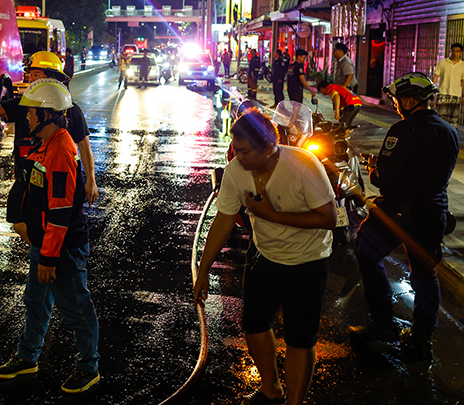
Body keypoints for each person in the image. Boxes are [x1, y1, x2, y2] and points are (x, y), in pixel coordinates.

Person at [193, 110, 337, 405]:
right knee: (255, 325)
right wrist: (203, 269)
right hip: (265, 255)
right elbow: (223, 220)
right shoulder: (235, 171)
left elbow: (328, 218)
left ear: (269, 147)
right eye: (236, 149)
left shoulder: (303, 164)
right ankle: (271, 389)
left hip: (308, 260)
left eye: (245, 151)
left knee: (300, 339)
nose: (238, 157)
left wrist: (272, 215)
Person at [0, 79, 100, 394]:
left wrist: (49, 257)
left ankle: (89, 368)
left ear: (47, 115)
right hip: (45, 245)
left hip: (61, 249)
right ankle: (27, 357)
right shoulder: (46, 144)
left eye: (31, 112)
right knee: (36, 302)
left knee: (76, 307)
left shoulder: (61, 150)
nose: (26, 117)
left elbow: (61, 211)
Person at [348, 73, 458, 360]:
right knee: (425, 273)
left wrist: (375, 170)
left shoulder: (401, 130)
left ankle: (384, 322)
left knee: (366, 250)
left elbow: (385, 178)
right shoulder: (449, 131)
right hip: (433, 212)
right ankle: (421, 339)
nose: (396, 104)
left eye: (398, 100)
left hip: (397, 212)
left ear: (411, 100)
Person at [0, 51, 99, 207]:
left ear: (52, 78)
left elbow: (84, 146)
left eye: (36, 75)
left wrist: (91, 180)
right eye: (30, 74)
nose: (30, 79)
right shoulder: (22, 105)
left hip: (57, 188)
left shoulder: (70, 110)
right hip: (26, 184)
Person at [432, 42, 464, 126]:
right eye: (453, 51)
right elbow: (436, 76)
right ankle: (440, 133)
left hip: (456, 95)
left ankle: (452, 133)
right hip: (443, 93)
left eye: (457, 51)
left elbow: (463, 81)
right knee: (441, 118)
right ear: (450, 51)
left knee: (454, 119)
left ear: (461, 53)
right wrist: (433, 92)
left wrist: (463, 96)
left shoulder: (462, 65)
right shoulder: (443, 62)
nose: (455, 53)